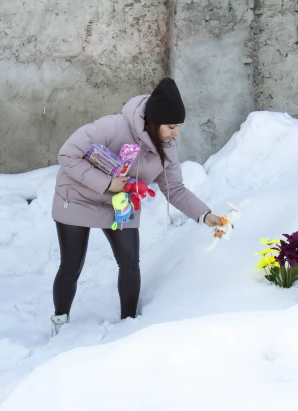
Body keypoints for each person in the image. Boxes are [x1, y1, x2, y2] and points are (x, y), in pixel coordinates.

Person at [50, 78, 222, 335]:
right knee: (72, 264)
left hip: (120, 204)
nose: (177, 133)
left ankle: (128, 324)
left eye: (179, 127)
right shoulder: (112, 126)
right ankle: (60, 321)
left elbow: (174, 189)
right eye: (172, 126)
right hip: (77, 197)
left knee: (130, 262)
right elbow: (67, 154)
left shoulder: (166, 148)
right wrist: (107, 183)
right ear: (153, 122)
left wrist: (205, 215)